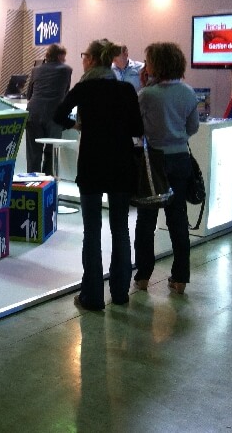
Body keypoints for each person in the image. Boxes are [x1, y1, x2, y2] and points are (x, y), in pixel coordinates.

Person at [53, 39, 144, 310]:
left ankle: (92, 296)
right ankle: (120, 293)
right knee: (120, 228)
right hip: (121, 165)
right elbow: (137, 129)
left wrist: (77, 124)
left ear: (91, 59)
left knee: (92, 230)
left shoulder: (84, 88)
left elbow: (58, 115)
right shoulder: (126, 89)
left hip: (91, 165)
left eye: (84, 55)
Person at [133, 42, 200, 294]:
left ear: (156, 64)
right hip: (180, 158)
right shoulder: (188, 92)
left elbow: (136, 127)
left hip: (153, 161)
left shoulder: (147, 95)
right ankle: (180, 277)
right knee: (178, 218)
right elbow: (192, 127)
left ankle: (143, 276)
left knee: (146, 219)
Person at [25, 44, 72, 174]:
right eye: (64, 57)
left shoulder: (35, 70)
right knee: (51, 153)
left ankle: (33, 183)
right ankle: (48, 182)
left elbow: (28, 94)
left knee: (33, 154)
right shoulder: (66, 70)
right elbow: (66, 93)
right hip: (55, 116)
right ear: (59, 56)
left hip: (33, 114)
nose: (65, 60)